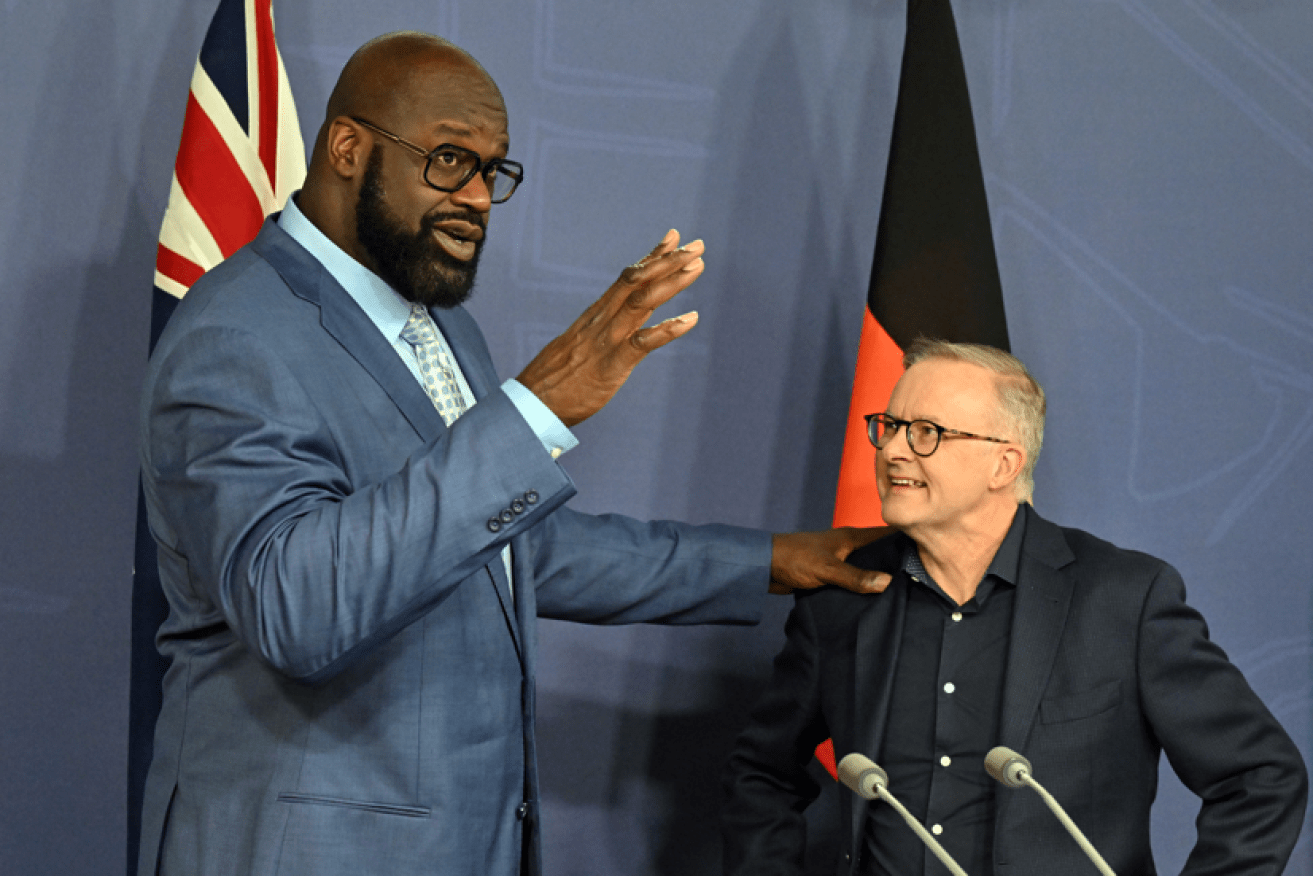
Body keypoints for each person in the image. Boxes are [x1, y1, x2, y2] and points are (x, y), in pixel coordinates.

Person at [135, 31, 890, 876]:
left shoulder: (440, 323)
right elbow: (296, 605)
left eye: (492, 171)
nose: (478, 198)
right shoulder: (236, 336)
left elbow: (502, 551)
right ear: (347, 148)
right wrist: (534, 412)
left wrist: (775, 562)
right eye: (450, 160)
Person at [721, 339, 1307, 876]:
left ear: (1003, 463)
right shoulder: (842, 595)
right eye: (890, 425)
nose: (894, 450)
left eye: (926, 431)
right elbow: (762, 773)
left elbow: (1260, 776)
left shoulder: (1123, 598)